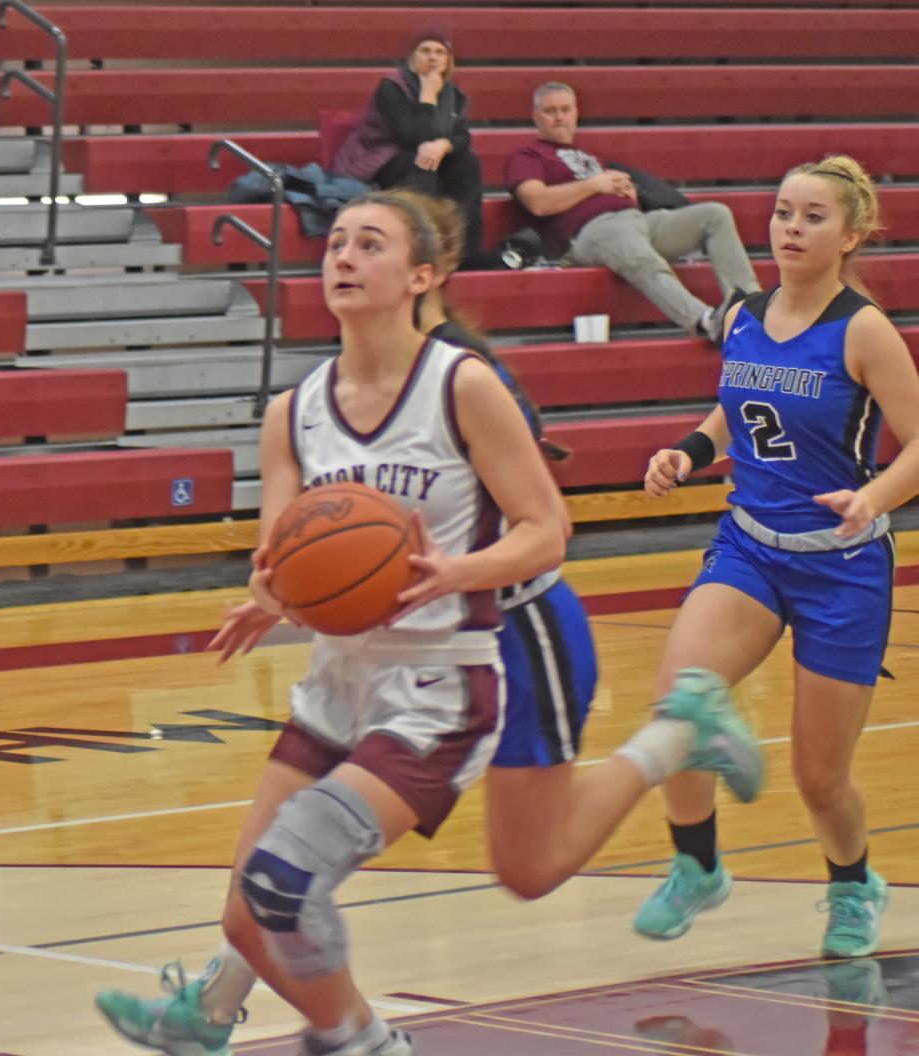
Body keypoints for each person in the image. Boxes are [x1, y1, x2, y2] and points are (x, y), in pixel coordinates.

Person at [94, 190, 765, 1056]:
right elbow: (288, 551)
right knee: (252, 904)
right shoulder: (291, 411)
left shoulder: (462, 386)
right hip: (340, 681)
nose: (341, 256)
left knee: (489, 870)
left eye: (367, 243)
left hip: (465, 660)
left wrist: (459, 571)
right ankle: (218, 1016)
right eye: (334, 241)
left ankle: (676, 738)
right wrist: (273, 593)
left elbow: (546, 530)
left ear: (423, 275)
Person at [635, 155, 919, 959]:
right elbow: (735, 408)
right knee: (679, 703)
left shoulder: (862, 329)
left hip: (842, 563)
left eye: (813, 217)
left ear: (852, 234)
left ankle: (854, 882)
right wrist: (689, 451)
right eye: (784, 213)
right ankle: (697, 865)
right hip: (750, 549)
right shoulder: (744, 315)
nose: (791, 229)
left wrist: (875, 497)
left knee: (819, 778)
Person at [505, 81, 762, 345]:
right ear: (536, 117)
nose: (559, 117)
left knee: (715, 215)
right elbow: (537, 202)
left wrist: (627, 190)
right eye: (550, 111)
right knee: (641, 257)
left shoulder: (589, 157)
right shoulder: (528, 156)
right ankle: (707, 322)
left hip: (638, 222)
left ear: (576, 113)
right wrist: (595, 184)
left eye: (565, 109)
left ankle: (751, 309)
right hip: (592, 232)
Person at [331, 24, 485, 265]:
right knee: (421, 160)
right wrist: (427, 96)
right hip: (381, 157)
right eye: (425, 51)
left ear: (448, 60)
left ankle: (466, 252)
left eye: (439, 52)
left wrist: (443, 145)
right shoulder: (391, 87)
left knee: (468, 163)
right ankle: (422, 247)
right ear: (412, 57)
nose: (433, 57)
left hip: (427, 155)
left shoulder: (452, 93)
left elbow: (463, 137)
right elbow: (412, 135)